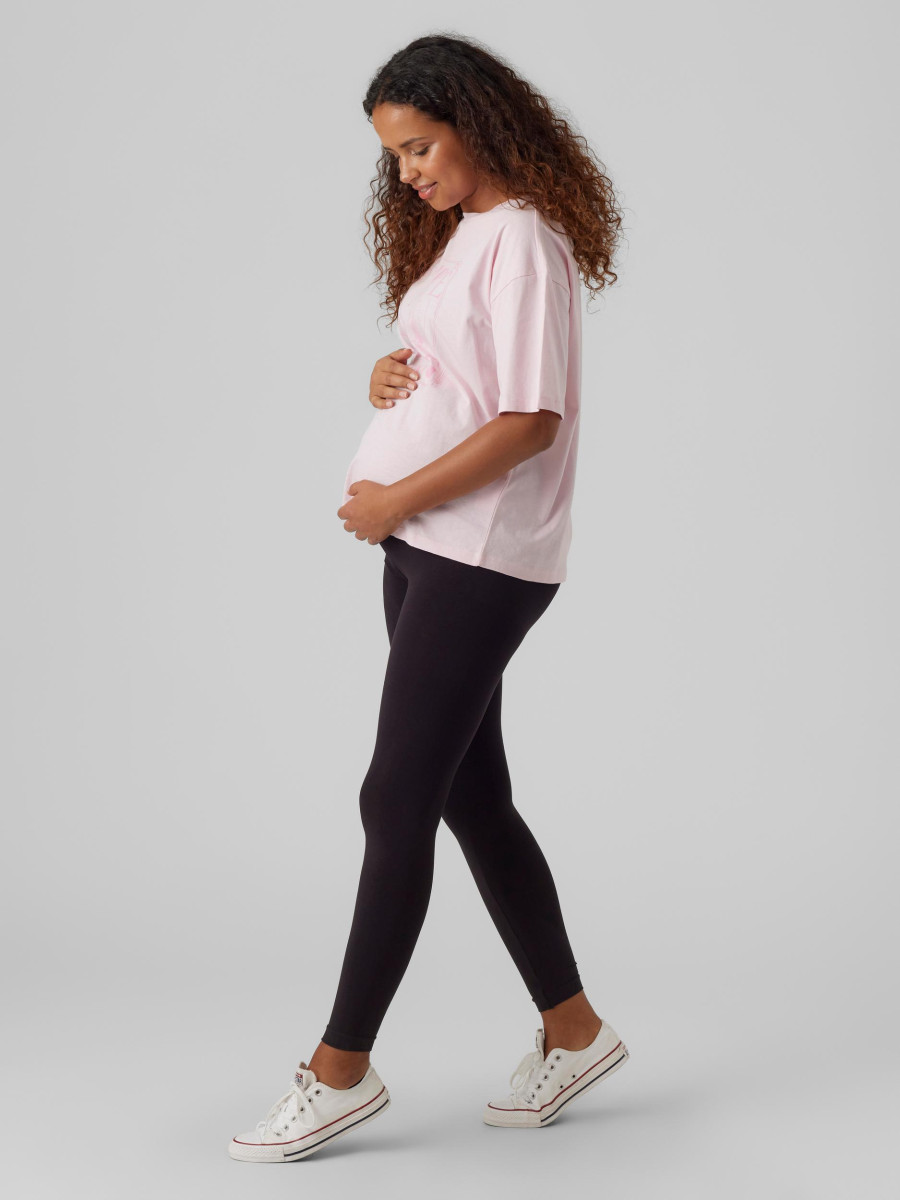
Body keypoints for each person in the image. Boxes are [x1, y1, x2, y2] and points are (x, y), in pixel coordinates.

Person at [229, 32, 629, 1163]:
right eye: (393, 157)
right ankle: (576, 1030)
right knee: (471, 797)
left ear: (476, 123)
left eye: (419, 147)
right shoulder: (465, 239)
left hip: (481, 555)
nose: (406, 172)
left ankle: (340, 1070)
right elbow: (465, 379)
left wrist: (394, 495)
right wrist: (390, 376)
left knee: (395, 795)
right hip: (427, 547)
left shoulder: (526, 241)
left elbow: (532, 419)